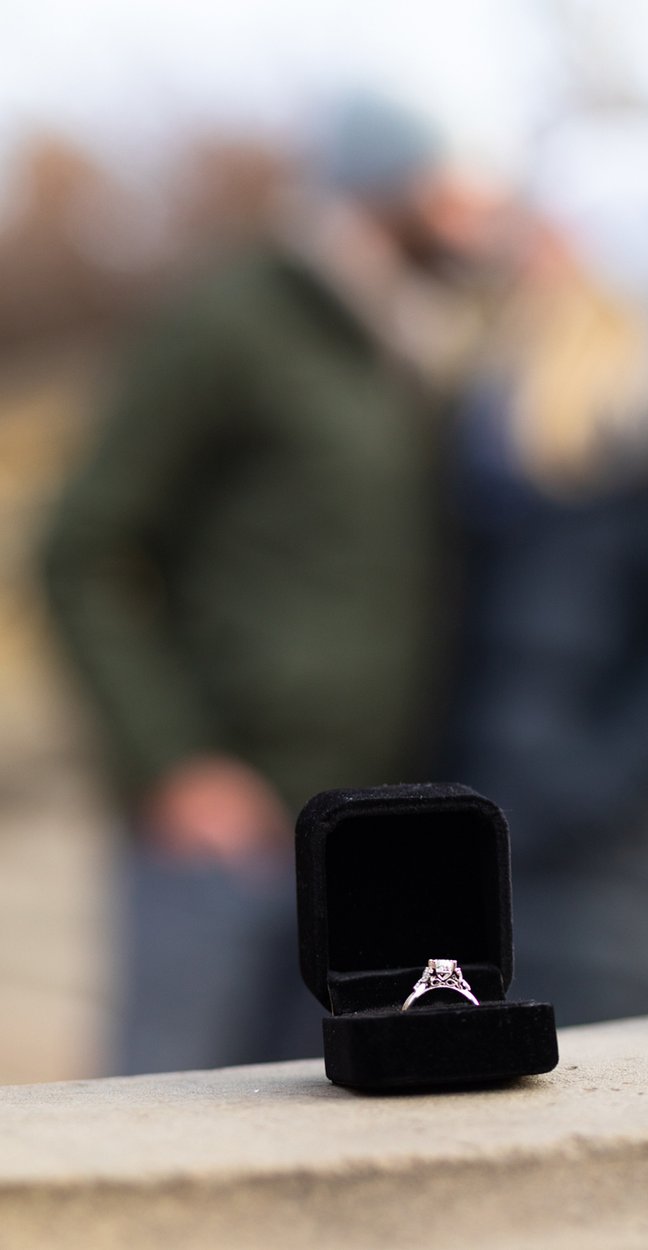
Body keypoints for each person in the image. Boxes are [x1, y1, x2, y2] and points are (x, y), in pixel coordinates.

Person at [38, 92, 506, 1074]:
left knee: (316, 1139)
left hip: (363, 836)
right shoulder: (233, 322)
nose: (478, 221)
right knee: (170, 1128)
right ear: (387, 192)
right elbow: (80, 545)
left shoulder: (407, 342)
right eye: (455, 196)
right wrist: (172, 762)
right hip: (224, 830)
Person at [439, 113, 648, 1024]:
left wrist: (558, 797)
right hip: (471, 837)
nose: (527, 261)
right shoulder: (509, 409)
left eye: (550, 240)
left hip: (591, 879)